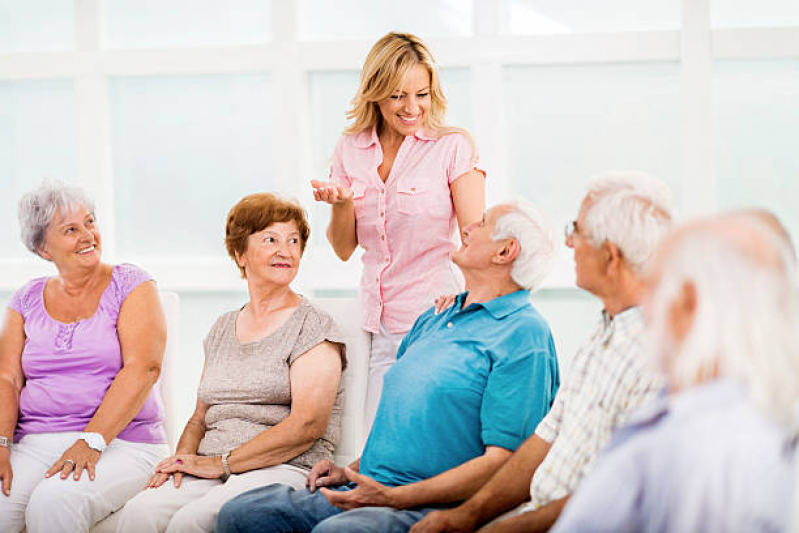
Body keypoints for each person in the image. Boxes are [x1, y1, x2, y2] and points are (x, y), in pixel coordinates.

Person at [216, 201, 560, 533]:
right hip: (371, 490)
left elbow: (505, 463)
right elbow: (406, 427)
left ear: (505, 252)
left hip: (428, 504)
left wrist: (396, 497)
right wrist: (351, 471)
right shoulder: (435, 317)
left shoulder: (524, 334)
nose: (468, 226)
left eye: (482, 223)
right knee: (244, 514)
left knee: (340, 532)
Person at [412, 172, 673, 533]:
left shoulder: (656, 358)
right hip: (534, 513)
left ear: (610, 257)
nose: (568, 243)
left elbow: (611, 494)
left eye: (577, 231)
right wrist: (468, 516)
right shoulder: (603, 333)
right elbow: (544, 438)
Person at [552, 211, 799, 532]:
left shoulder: (707, 451)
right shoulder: (739, 416)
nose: (646, 306)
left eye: (653, 286)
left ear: (688, 301)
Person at [116, 193, 347, 532]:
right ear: (240, 254)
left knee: (190, 522)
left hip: (282, 466)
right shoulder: (223, 327)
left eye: (293, 240)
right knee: (140, 513)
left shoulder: (313, 325)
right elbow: (199, 417)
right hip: (214, 465)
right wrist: (181, 461)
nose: (285, 250)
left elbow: (307, 425)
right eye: (270, 239)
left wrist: (221, 464)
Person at [310, 32, 486, 427]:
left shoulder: (452, 147)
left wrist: (473, 311)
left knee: (431, 442)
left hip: (439, 320)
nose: (411, 108)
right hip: (382, 324)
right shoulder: (350, 148)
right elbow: (342, 248)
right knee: (379, 444)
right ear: (375, 93)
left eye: (421, 94)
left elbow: (477, 238)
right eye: (397, 95)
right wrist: (342, 204)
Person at [0, 180, 169, 533]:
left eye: (90, 222)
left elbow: (144, 368)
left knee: (55, 501)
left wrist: (91, 440)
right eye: (71, 230)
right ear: (43, 248)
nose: (87, 235)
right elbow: (8, 378)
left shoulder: (131, 284)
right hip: (36, 440)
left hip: (123, 442)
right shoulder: (25, 299)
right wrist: (1, 442)